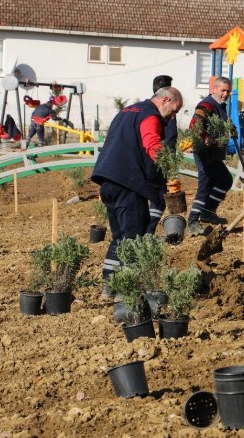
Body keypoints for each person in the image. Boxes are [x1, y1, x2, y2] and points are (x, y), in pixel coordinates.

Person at [91, 87, 183, 290]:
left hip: (108, 180)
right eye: (174, 111)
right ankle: (128, 292)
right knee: (134, 238)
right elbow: (152, 144)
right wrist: (168, 168)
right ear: (165, 100)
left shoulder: (126, 111)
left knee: (120, 238)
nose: (172, 117)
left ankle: (109, 285)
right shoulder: (150, 115)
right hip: (128, 183)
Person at [186, 77, 234, 236]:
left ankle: (208, 211)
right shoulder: (207, 105)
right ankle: (193, 221)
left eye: (228, 91)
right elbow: (194, 124)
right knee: (206, 182)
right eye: (223, 90)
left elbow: (221, 123)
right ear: (214, 89)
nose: (226, 94)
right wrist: (204, 135)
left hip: (213, 154)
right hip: (204, 153)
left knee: (225, 179)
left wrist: (231, 128)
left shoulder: (219, 106)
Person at [145, 74, 179, 234]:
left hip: (141, 159)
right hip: (158, 158)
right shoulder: (167, 109)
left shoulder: (145, 107)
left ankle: (141, 232)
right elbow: (170, 137)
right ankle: (148, 231)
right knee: (159, 199)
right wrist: (169, 162)